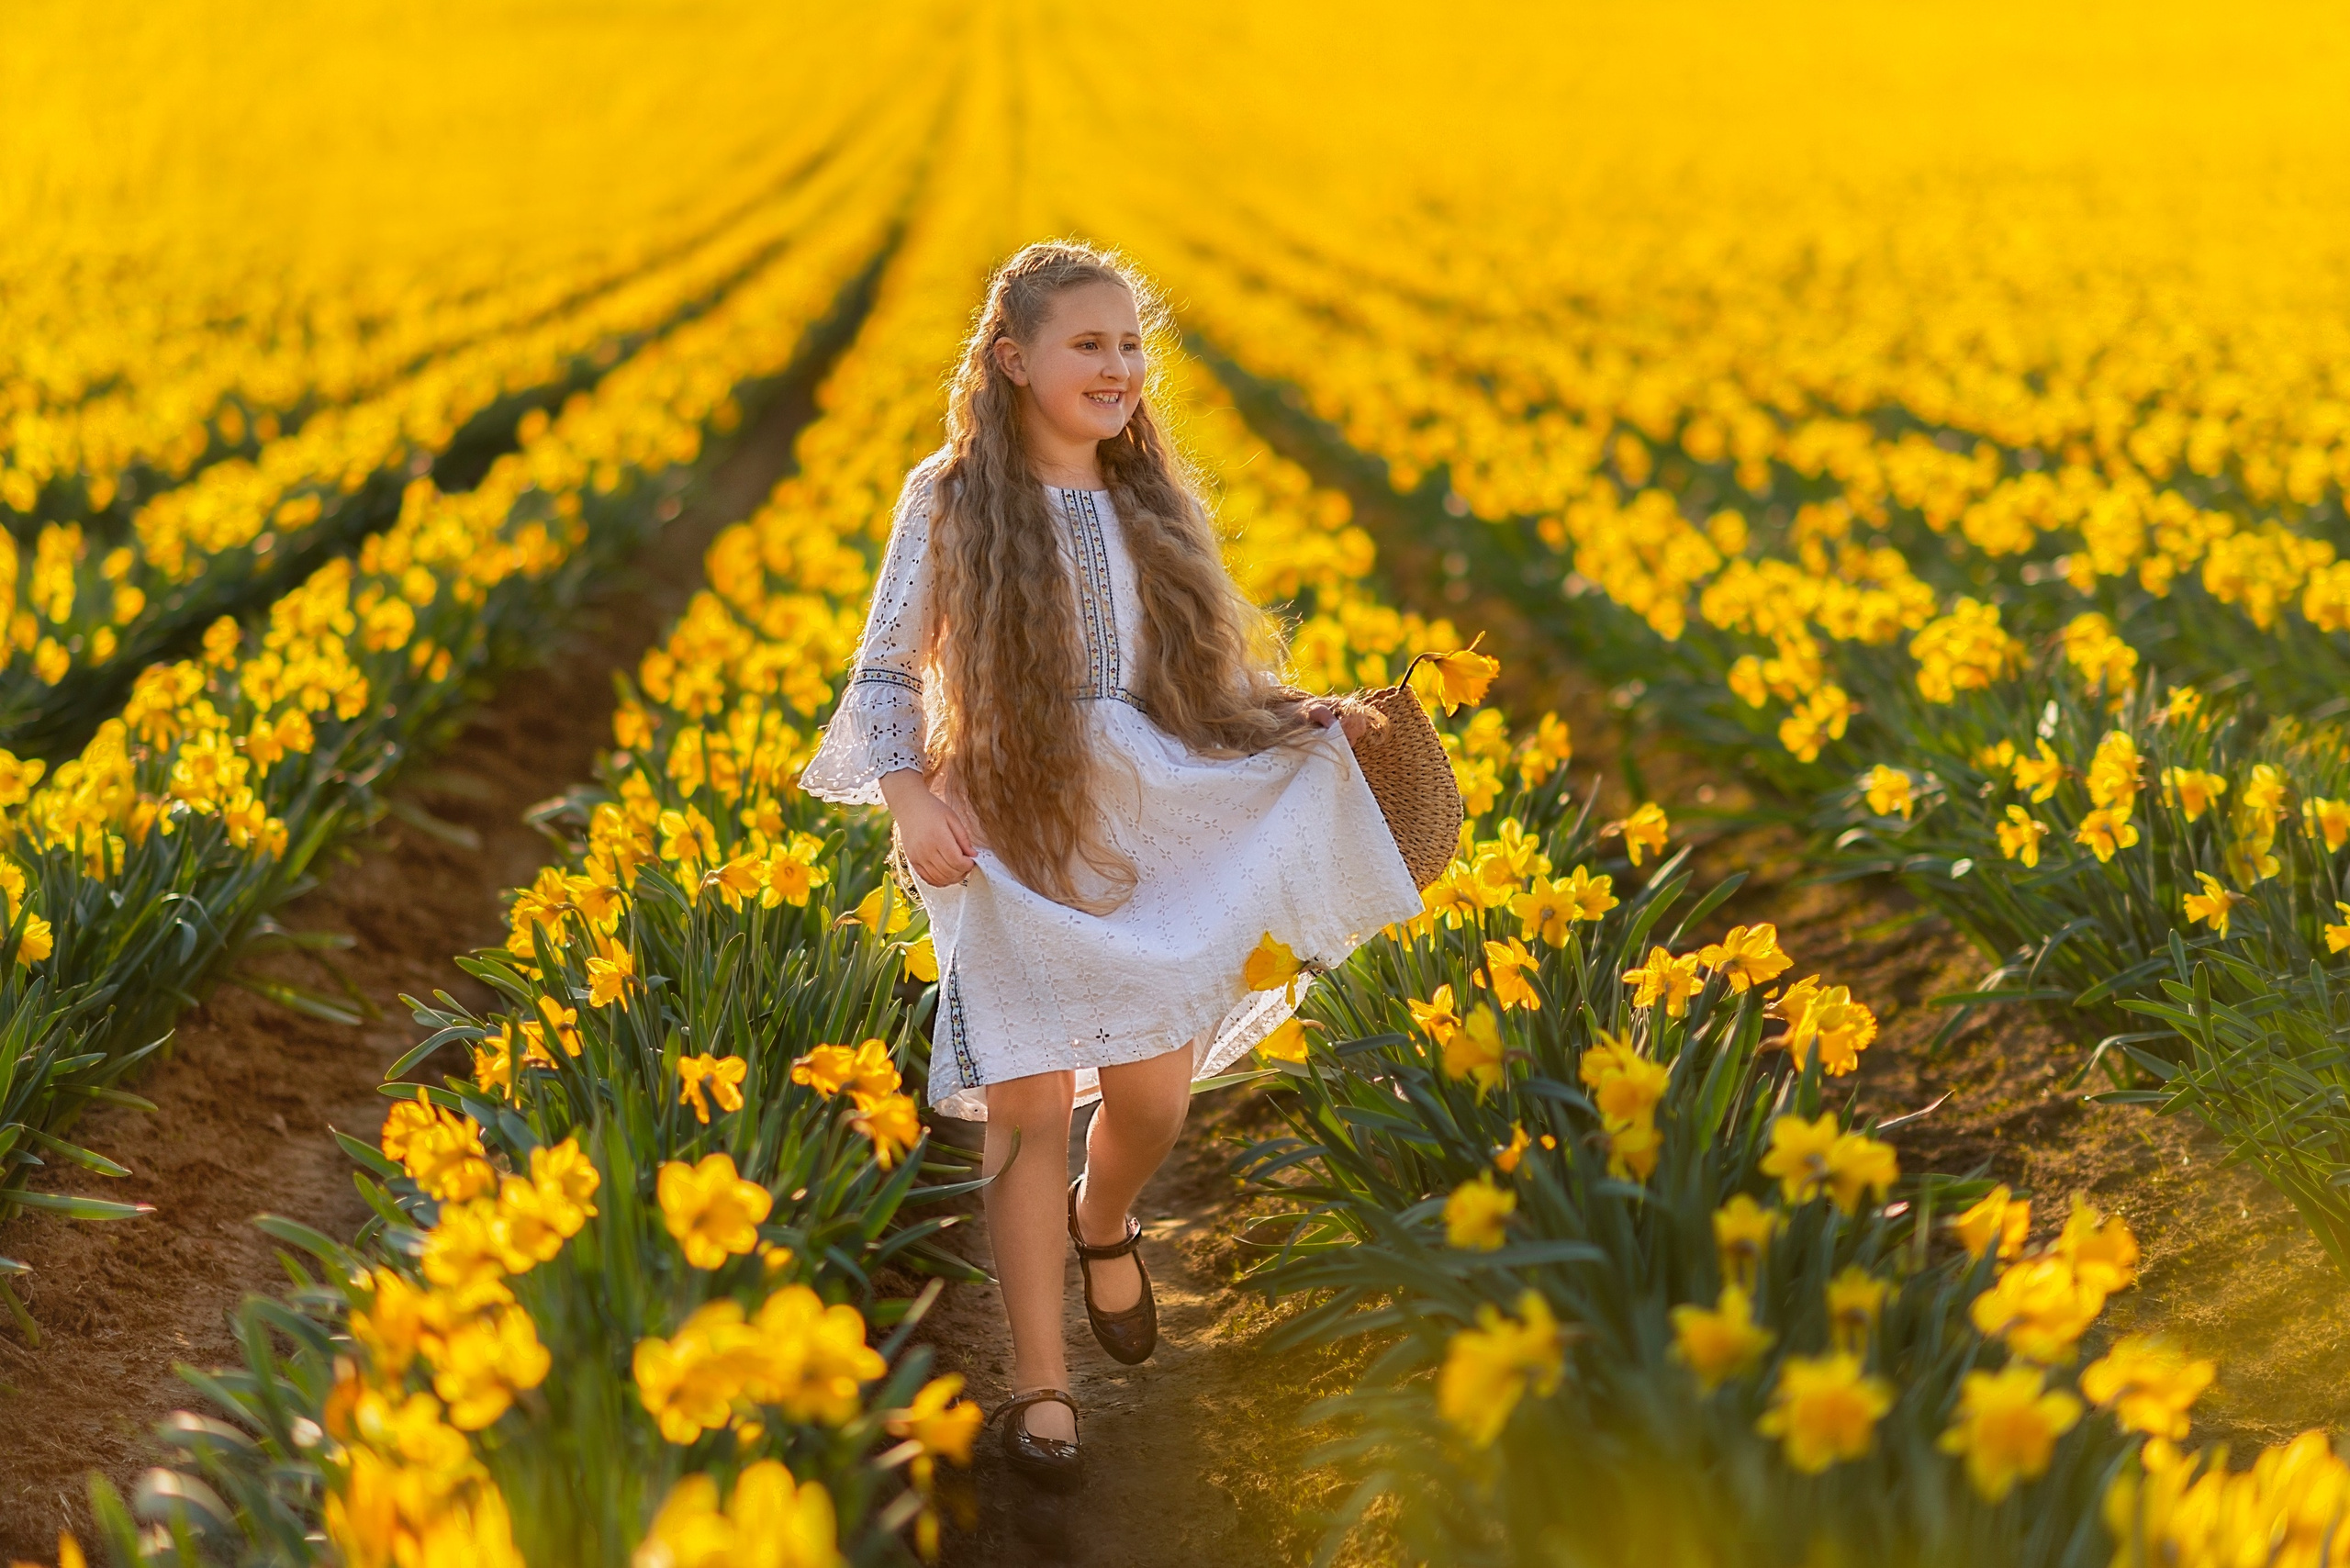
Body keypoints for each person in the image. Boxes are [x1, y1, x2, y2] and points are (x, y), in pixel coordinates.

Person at [801, 240, 1420, 1489]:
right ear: (1013, 359)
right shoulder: (950, 495)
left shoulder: (1151, 501)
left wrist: (1288, 719)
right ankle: (1042, 1381)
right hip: (999, 816)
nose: (1120, 367)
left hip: (1143, 810)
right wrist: (911, 796)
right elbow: (882, 671)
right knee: (1026, 1107)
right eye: (1089, 344)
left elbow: (1196, 675)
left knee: (1149, 1101)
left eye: (1132, 344)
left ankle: (1106, 1217)